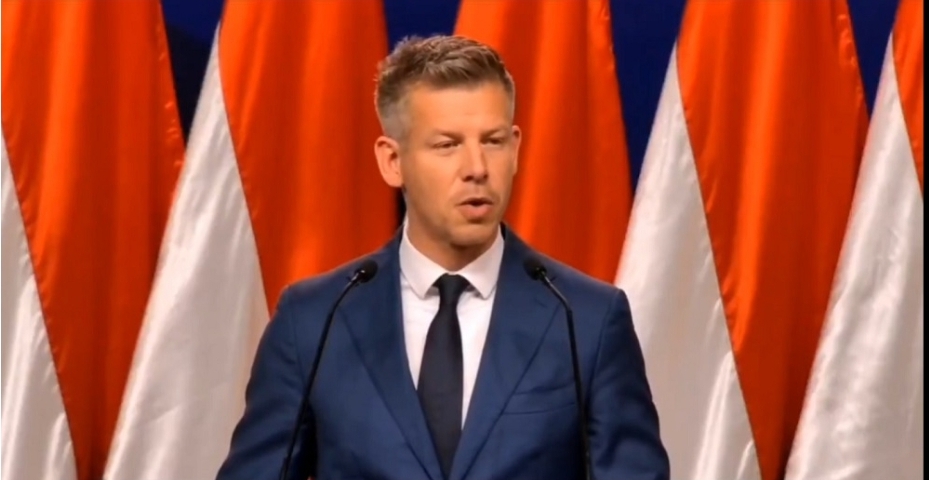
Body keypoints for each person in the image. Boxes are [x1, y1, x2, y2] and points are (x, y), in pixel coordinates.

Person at [216, 35, 669, 480]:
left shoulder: (585, 320)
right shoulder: (315, 320)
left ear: (515, 149)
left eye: (492, 141)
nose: (477, 168)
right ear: (392, 161)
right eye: (447, 144)